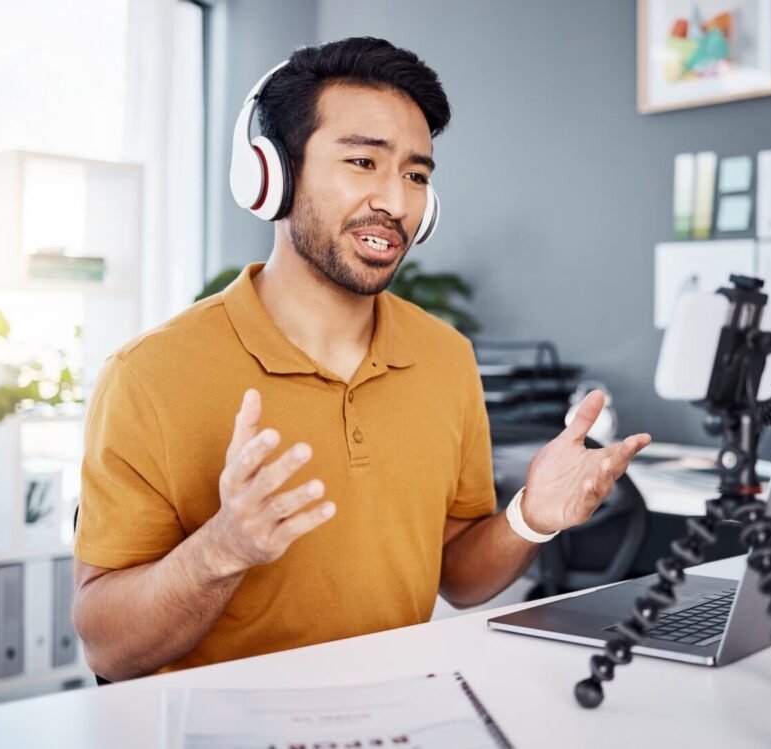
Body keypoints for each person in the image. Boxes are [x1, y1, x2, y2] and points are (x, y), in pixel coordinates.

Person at [71, 37, 650, 682]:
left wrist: (530, 518)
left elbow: (456, 573)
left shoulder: (445, 357)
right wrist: (222, 550)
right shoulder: (150, 376)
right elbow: (106, 647)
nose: (397, 203)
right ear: (272, 175)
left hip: (392, 716)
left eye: (416, 175)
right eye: (362, 162)